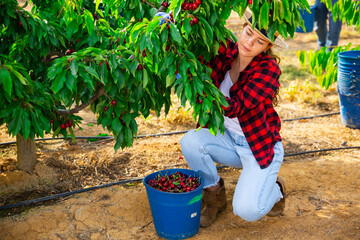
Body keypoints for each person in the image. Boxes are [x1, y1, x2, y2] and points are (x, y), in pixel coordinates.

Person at [180, 8, 287, 227]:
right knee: (190, 141)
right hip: (228, 139)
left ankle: (275, 189)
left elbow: (237, 107)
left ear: (267, 48)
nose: (249, 43)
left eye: (259, 41)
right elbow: (195, 49)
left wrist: (202, 87)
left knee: (247, 210)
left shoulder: (268, 70)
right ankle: (214, 197)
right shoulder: (226, 50)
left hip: (257, 147)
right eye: (249, 33)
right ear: (242, 28)